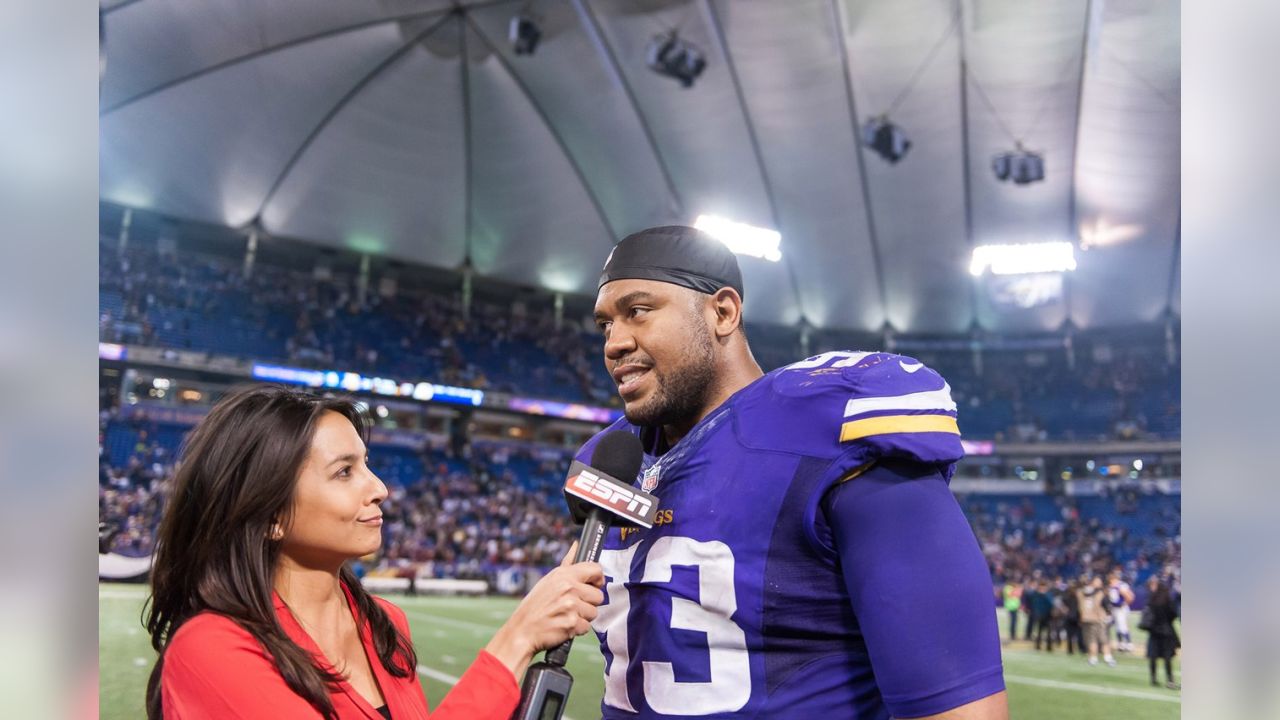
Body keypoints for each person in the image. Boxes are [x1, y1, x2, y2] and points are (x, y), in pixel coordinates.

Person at [578, 226, 1007, 718]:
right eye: (604, 324)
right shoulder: (608, 462)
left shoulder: (829, 429)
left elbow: (958, 707)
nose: (614, 343)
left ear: (723, 312)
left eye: (638, 311)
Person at [145, 386, 606, 719]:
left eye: (367, 464)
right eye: (344, 472)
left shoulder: (382, 624)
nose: (381, 489)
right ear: (270, 515)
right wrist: (516, 639)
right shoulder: (211, 650)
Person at [1143, 576, 1181, 689]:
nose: (1151, 587)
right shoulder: (1166, 598)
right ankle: (1169, 680)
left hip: (1155, 631)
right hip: (1166, 631)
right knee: (1165, 657)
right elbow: (1173, 613)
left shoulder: (1151, 598)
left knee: (1154, 656)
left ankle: (1154, 679)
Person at [1077, 576, 1117, 667]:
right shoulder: (1100, 593)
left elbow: (1080, 605)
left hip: (1086, 618)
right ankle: (1108, 657)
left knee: (1091, 640)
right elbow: (1106, 605)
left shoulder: (1081, 592)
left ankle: (1093, 658)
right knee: (1103, 639)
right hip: (1098, 618)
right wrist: (1108, 615)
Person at [1107, 569, 1136, 652]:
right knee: (1117, 626)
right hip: (1114, 608)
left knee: (1122, 626)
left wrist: (1124, 603)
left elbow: (1130, 596)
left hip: (1120, 609)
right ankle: (1121, 643)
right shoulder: (1111, 585)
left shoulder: (1120, 585)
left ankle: (1129, 644)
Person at [1002, 576, 1023, 642]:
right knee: (1013, 621)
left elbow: (1018, 595)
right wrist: (1017, 589)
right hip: (1010, 607)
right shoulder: (1007, 588)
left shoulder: (1014, 588)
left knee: (1015, 621)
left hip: (1015, 606)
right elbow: (1011, 594)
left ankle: (1014, 634)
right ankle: (1012, 635)